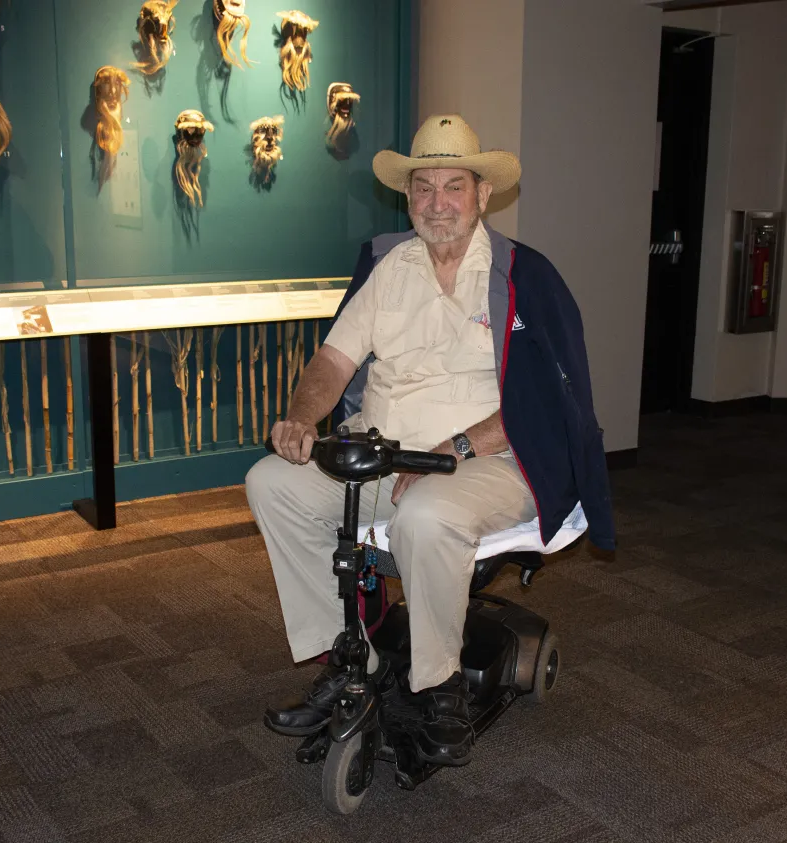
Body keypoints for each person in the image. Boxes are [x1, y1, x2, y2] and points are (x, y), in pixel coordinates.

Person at [245, 114, 615, 766]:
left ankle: (439, 685)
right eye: (423, 188)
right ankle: (346, 655)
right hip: (385, 452)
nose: (437, 203)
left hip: (490, 460)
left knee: (427, 510)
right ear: (407, 196)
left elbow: (548, 403)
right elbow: (332, 361)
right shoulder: (389, 266)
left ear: (482, 195)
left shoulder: (523, 278)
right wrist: (303, 417)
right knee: (271, 482)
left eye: (454, 187)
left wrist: (454, 450)